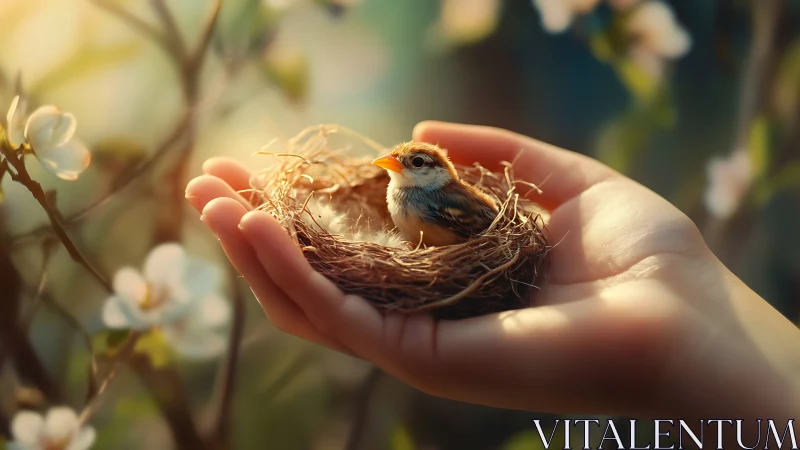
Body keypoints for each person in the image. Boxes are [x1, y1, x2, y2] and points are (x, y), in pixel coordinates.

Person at [185, 121, 800, 424]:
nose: (397, 164)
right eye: (401, 161)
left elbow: (477, 233)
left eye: (413, 160)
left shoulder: (436, 201)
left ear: (433, 171)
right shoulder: (400, 195)